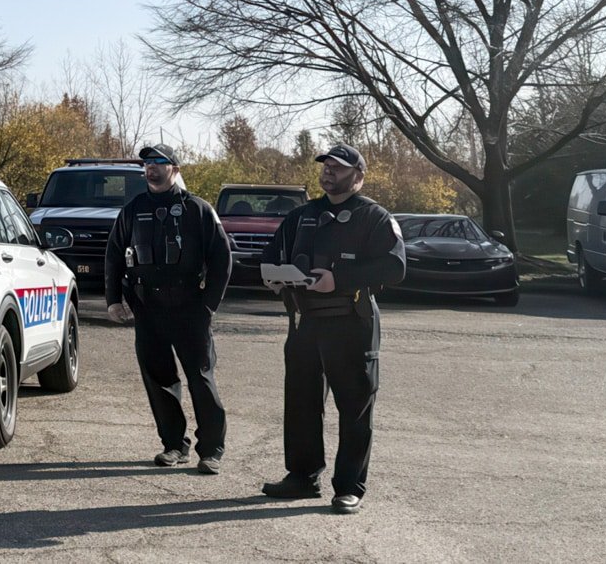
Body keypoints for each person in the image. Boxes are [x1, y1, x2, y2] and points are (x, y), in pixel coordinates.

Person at [259, 143, 406, 513]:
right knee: (301, 403)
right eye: (326, 166)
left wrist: (338, 279)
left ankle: (349, 487)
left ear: (358, 176)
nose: (328, 172)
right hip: (305, 323)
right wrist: (274, 277)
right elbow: (272, 254)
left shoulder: (373, 216)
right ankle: (302, 477)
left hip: (351, 322)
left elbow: (394, 267)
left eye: (338, 167)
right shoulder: (301, 216)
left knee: (354, 407)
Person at [105, 142, 233, 472]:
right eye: (147, 163)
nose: (151, 168)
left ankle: (211, 449)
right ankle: (174, 445)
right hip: (148, 309)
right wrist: (113, 300)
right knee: (159, 381)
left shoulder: (197, 209)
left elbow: (222, 258)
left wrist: (209, 305)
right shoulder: (133, 209)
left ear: (174, 168)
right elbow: (114, 255)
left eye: (159, 162)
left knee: (201, 379)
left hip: (190, 308)